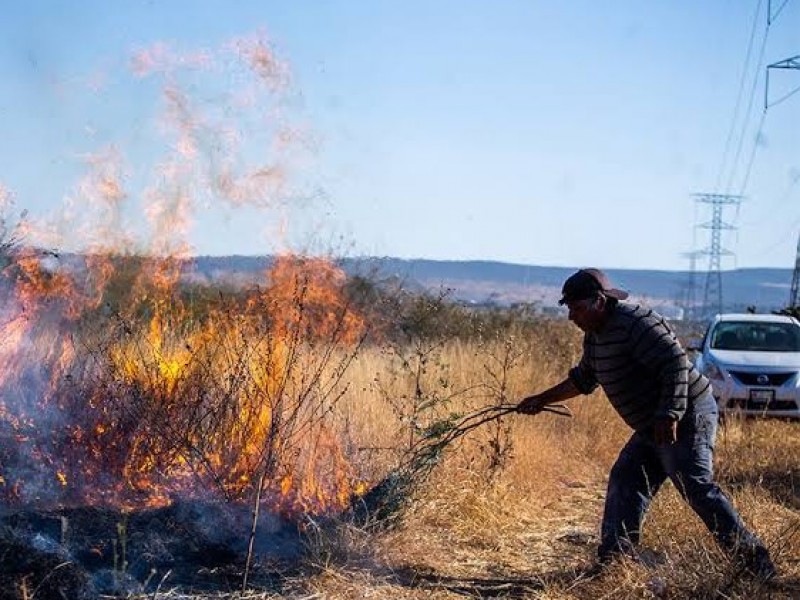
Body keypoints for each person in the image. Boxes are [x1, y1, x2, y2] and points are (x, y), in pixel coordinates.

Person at [517, 268, 776, 579]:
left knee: (694, 486)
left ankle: (756, 563)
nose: (572, 317)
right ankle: (615, 565)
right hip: (653, 424)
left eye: (576, 308)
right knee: (626, 480)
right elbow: (583, 380)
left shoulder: (636, 323)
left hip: (687, 414)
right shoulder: (595, 336)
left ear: (599, 301)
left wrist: (670, 413)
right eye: (569, 309)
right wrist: (540, 399)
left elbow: (675, 362)